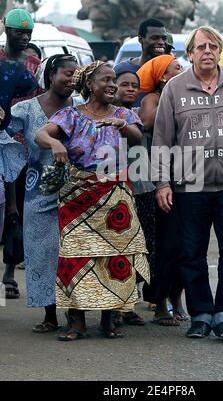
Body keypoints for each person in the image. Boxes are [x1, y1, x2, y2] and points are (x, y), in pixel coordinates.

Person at [152, 26, 223, 340]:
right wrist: (162, 182)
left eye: (213, 46)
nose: (208, 51)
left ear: (219, 51)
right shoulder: (175, 88)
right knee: (191, 252)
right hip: (191, 183)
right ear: (189, 53)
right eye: (201, 46)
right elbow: (162, 140)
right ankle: (201, 314)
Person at [35, 61, 150, 340]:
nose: (112, 85)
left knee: (114, 258)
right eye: (106, 80)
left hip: (114, 196)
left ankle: (109, 320)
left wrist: (123, 125)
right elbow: (41, 134)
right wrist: (56, 143)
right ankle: (77, 323)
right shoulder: (71, 115)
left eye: (114, 81)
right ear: (89, 84)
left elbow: (138, 139)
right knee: (75, 257)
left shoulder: (123, 114)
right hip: (77, 197)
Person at [6, 54, 78, 331]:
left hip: (76, 192)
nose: (71, 80)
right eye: (66, 74)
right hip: (37, 193)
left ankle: (75, 314)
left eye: (76, 75)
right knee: (42, 253)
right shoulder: (25, 110)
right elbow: (5, 136)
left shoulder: (81, 107)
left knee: (74, 252)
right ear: (51, 75)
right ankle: (49, 314)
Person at [137, 55, 188, 326]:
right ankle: (159, 303)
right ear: (163, 76)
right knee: (165, 244)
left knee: (185, 243)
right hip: (161, 178)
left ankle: (177, 299)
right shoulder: (153, 99)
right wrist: (170, 92)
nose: (183, 71)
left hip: (188, 173)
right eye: (176, 68)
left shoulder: (188, 93)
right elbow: (145, 123)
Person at [1, 8, 41, 298]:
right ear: (6, 29)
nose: (24, 36)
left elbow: (35, 99)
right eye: (18, 31)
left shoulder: (32, 62)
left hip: (23, 143)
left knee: (19, 211)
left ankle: (9, 272)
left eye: (28, 32)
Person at [114, 68, 155, 325]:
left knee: (141, 250)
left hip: (143, 190)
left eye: (134, 85)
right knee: (118, 250)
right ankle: (117, 306)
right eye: (124, 84)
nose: (130, 89)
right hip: (115, 191)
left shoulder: (141, 116)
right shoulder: (105, 115)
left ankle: (129, 303)